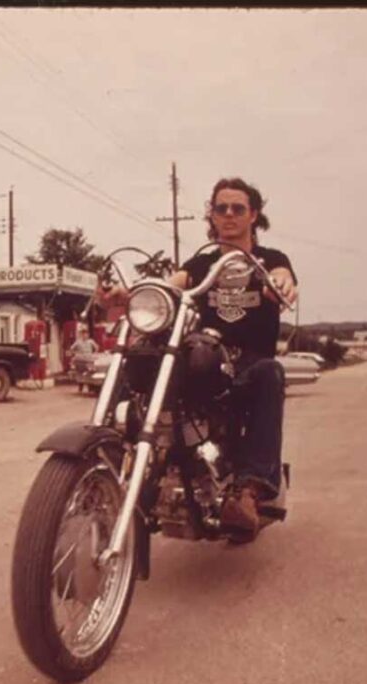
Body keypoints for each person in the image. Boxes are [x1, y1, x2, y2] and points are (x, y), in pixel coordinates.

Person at [101, 177, 298, 542]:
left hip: (249, 364)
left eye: (238, 208)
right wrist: (128, 294)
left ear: (253, 215)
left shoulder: (269, 260)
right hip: (205, 354)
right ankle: (111, 457)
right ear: (212, 213)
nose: (228, 215)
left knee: (271, 372)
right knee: (141, 360)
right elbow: (169, 284)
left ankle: (250, 490)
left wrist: (282, 284)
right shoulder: (201, 262)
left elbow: (284, 279)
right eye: (220, 207)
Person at [68, 328, 100, 393]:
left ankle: (90, 387)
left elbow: (97, 347)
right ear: (81, 335)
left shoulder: (91, 341)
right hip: (81, 359)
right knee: (80, 373)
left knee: (90, 372)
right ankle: (80, 387)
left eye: (86, 334)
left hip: (89, 359)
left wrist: (94, 353)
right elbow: (71, 349)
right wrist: (75, 353)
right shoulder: (78, 342)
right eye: (83, 334)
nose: (85, 335)